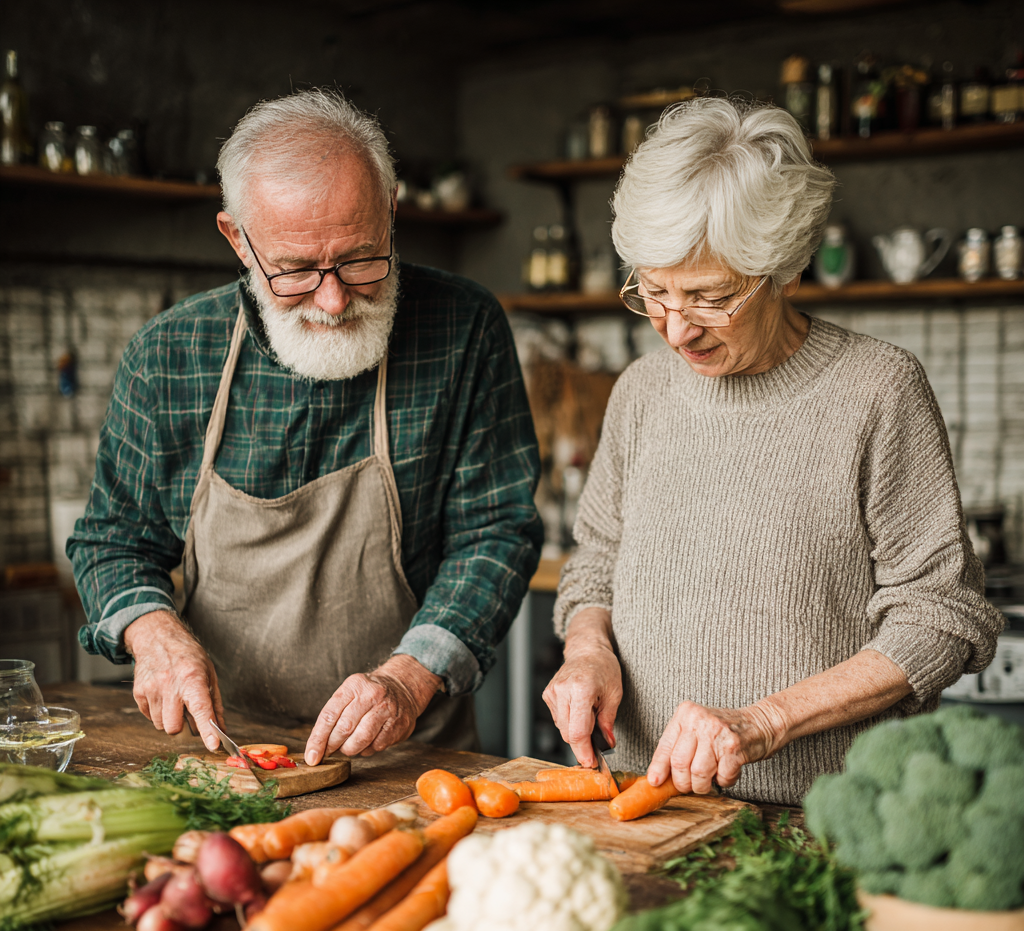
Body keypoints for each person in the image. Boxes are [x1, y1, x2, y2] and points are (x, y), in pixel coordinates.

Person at [544, 96, 1004, 805]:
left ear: (786, 269)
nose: (675, 329)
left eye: (709, 297)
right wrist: (587, 651)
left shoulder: (878, 390)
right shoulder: (640, 390)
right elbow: (597, 565)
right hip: (643, 801)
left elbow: (939, 617)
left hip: (824, 817)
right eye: (654, 292)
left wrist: (764, 723)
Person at [69, 89, 542, 765]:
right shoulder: (169, 354)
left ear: (391, 211)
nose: (333, 298)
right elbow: (111, 539)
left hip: (409, 749)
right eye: (295, 270)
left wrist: (408, 681)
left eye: (359, 259)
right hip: (221, 749)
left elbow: (496, 529)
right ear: (237, 238)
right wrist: (151, 632)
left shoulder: (462, 328)